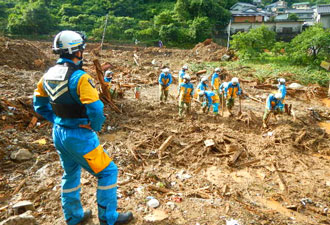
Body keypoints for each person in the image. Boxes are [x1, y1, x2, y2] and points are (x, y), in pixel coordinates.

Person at [33, 30, 133, 225]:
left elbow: (38, 105)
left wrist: (56, 119)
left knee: (70, 174)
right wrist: (94, 126)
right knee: (108, 172)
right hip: (79, 135)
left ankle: (73, 216)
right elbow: (96, 108)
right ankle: (108, 219)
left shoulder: (47, 75)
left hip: (59, 134)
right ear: (77, 51)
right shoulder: (80, 77)